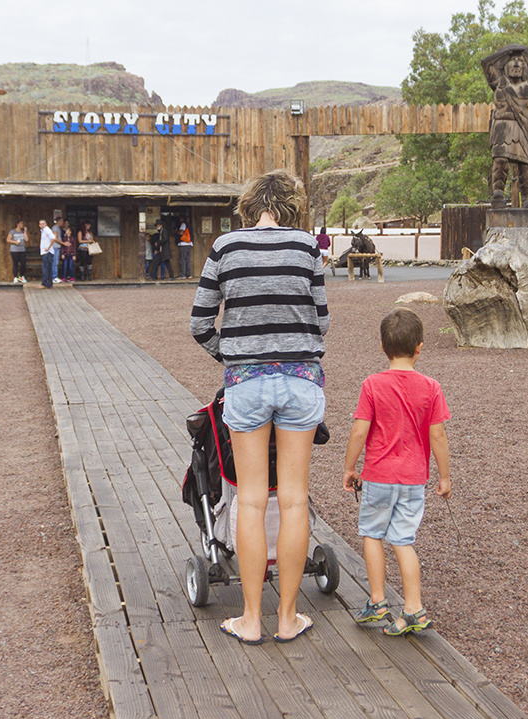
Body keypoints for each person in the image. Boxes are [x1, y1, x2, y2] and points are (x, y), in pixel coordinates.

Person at [190, 169, 328, 645]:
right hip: (301, 380)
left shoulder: (225, 247)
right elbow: (321, 321)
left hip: (246, 384)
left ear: (249, 206)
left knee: (250, 499)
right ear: (291, 206)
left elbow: (199, 323)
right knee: (293, 499)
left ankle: (250, 619)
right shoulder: (307, 247)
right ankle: (288, 617)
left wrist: (232, 357)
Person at [342, 307, 451, 637]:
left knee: (372, 534)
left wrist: (350, 467)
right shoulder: (431, 387)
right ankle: (413, 607)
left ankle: (378, 601)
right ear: (420, 348)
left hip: (378, 475)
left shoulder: (373, 385)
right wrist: (445, 477)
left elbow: (359, 431)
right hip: (414, 478)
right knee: (403, 540)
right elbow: (438, 436)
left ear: (382, 347)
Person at [483, 44, 528, 208]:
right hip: (502, 126)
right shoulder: (499, 82)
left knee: (526, 165)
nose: (517, 63)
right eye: (512, 60)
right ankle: (497, 193)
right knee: (500, 160)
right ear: (505, 64)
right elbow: (486, 64)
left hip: (523, 126)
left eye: (521, 60)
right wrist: (506, 51)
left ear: (527, 66)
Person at [38, 218, 58, 288]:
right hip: (45, 252)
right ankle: (49, 283)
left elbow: (53, 238)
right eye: (40, 224)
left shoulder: (47, 230)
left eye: (43, 224)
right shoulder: (43, 231)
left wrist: (48, 247)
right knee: (48, 268)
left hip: (47, 252)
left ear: (46, 224)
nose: (41, 225)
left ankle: (44, 283)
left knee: (45, 268)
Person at [7, 219, 28, 284]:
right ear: (17, 224)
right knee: (15, 263)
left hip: (22, 250)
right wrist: (15, 242)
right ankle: (15, 277)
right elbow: (8, 240)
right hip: (14, 250)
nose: (22, 225)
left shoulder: (22, 232)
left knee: (23, 264)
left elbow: (26, 239)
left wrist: (25, 231)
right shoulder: (13, 231)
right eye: (21, 224)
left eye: (23, 224)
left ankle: (21, 276)